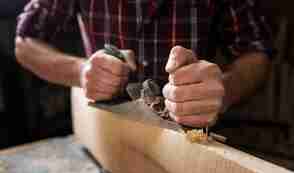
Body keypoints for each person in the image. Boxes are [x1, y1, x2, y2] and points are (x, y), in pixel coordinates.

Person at [15, 0, 273, 128]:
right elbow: (25, 44)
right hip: (108, 133)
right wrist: (80, 71)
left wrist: (225, 89)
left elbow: (257, 51)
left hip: (191, 137)